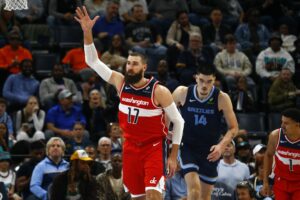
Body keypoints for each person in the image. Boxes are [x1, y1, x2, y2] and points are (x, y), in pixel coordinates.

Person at [75, 6, 184, 199]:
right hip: (130, 148)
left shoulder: (159, 91)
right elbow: (92, 61)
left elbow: (179, 121)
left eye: (134, 64)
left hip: (154, 148)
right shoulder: (120, 82)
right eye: (128, 63)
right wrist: (87, 32)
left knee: (153, 195)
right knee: (137, 197)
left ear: (144, 66)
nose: (130, 67)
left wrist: (173, 156)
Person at [172, 66, 238, 200]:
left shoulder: (222, 98)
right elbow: (165, 114)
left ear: (214, 81)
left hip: (210, 151)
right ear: (196, 78)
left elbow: (234, 128)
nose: (204, 86)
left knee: (205, 197)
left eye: (209, 82)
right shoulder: (182, 92)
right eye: (201, 80)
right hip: (187, 147)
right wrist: (167, 133)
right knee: (194, 191)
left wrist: (221, 146)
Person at [262, 108, 300, 199]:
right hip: (281, 181)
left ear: (297, 125)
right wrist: (266, 181)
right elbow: (268, 155)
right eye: (282, 122)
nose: (282, 125)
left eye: (286, 123)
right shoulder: (275, 136)